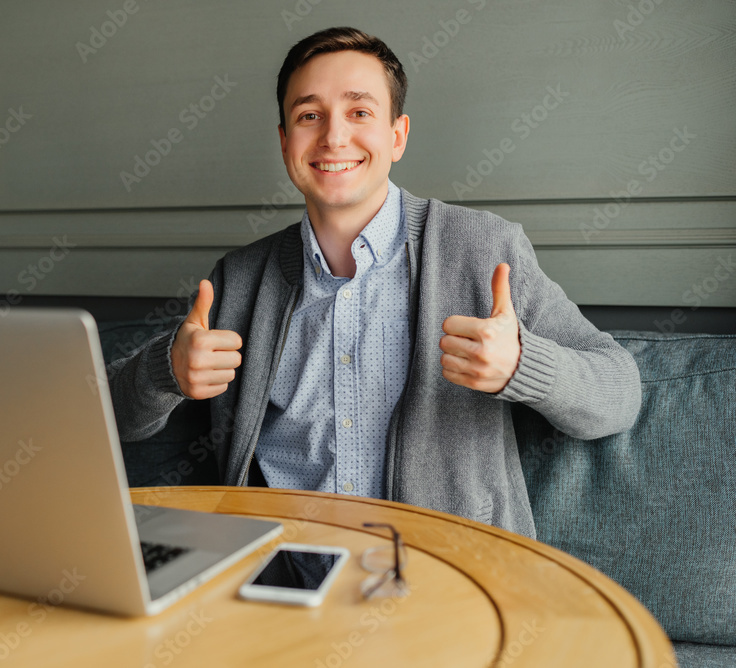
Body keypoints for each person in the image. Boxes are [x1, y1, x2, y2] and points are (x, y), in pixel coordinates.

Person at [108, 27, 641, 538]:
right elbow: (105, 418)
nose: (334, 135)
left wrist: (523, 366)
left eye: (359, 111)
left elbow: (620, 392)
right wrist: (166, 371)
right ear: (284, 141)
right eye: (309, 115)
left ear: (397, 135)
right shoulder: (239, 278)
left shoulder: (483, 248)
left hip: (445, 583)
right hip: (278, 583)